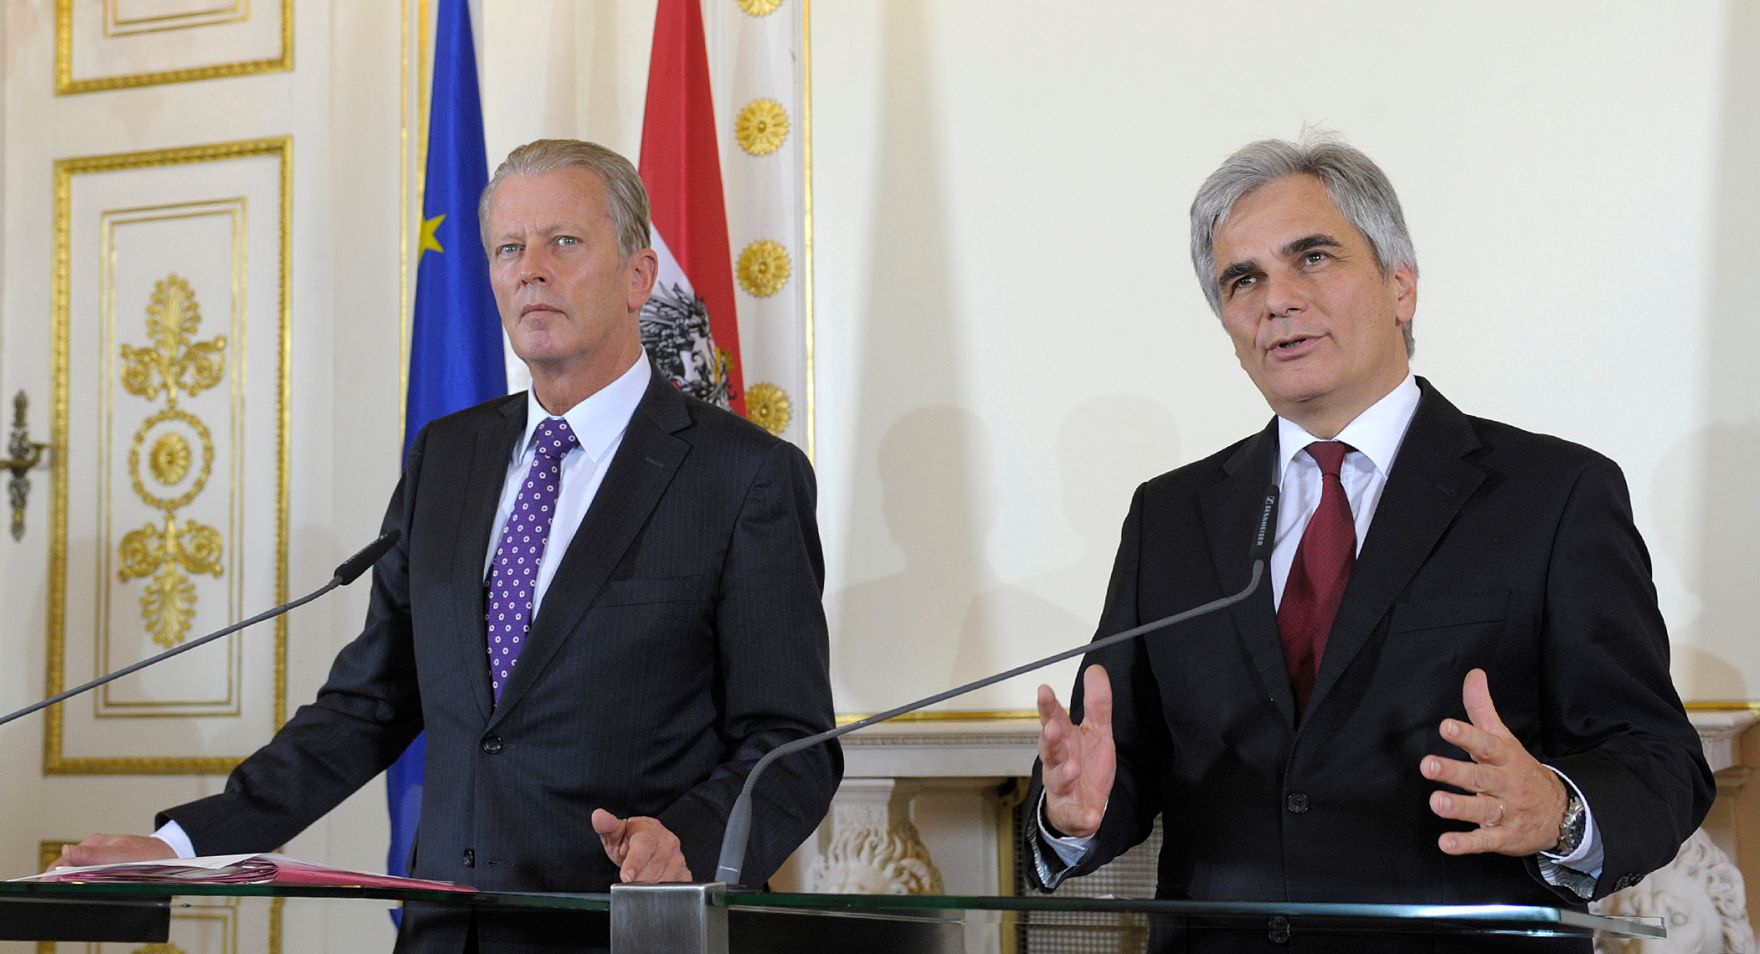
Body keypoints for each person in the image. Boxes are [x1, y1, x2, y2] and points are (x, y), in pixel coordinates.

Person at [56, 139, 841, 951]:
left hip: (626, 931)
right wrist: (184, 846)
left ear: (639, 276)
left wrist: (691, 843)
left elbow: (791, 744)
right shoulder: (449, 457)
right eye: (509, 248)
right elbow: (368, 706)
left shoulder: (742, 476)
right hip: (444, 934)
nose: (530, 268)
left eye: (563, 242)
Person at [1029, 135, 1713, 952]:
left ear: (1401, 285)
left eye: (1312, 258)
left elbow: (1658, 760)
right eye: (1242, 280)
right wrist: (1069, 813)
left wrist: (1558, 812)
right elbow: (1112, 760)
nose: (1277, 300)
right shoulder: (1172, 516)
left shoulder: (1552, 495)